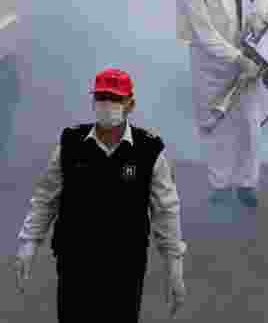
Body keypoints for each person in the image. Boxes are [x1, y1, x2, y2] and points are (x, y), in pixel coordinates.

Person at [13, 68, 187, 321]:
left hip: (125, 267)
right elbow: (45, 198)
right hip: (75, 264)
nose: (107, 104)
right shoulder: (71, 144)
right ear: (93, 100)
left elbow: (166, 210)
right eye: (102, 97)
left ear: (130, 104)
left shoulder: (148, 150)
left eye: (115, 99)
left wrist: (174, 265)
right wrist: (29, 242)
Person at [175, 0, 268, 208]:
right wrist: (239, 59)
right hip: (209, 66)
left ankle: (246, 184)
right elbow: (205, 36)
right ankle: (220, 184)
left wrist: (259, 13)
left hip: (244, 56)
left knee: (249, 124)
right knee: (215, 125)